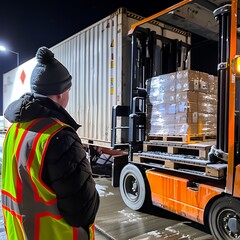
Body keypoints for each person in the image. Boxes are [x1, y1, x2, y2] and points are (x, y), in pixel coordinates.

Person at [1, 46, 100, 240]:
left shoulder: (14, 129)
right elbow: (83, 210)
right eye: (69, 90)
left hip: (19, 233)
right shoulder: (59, 137)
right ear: (60, 94)